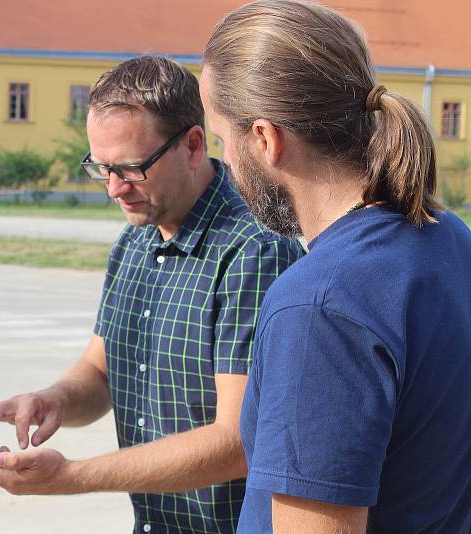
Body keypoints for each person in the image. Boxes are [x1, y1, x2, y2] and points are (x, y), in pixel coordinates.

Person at [0, 56, 302, 533]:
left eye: (131, 168)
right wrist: (52, 399)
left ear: (192, 144)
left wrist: (72, 477)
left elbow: (237, 442)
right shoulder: (135, 241)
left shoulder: (253, 252)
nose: (114, 189)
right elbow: (100, 373)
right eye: (100, 168)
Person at [199, 1, 471, 532]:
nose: (225, 161)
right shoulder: (450, 235)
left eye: (221, 140)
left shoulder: (319, 305)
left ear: (265, 139)